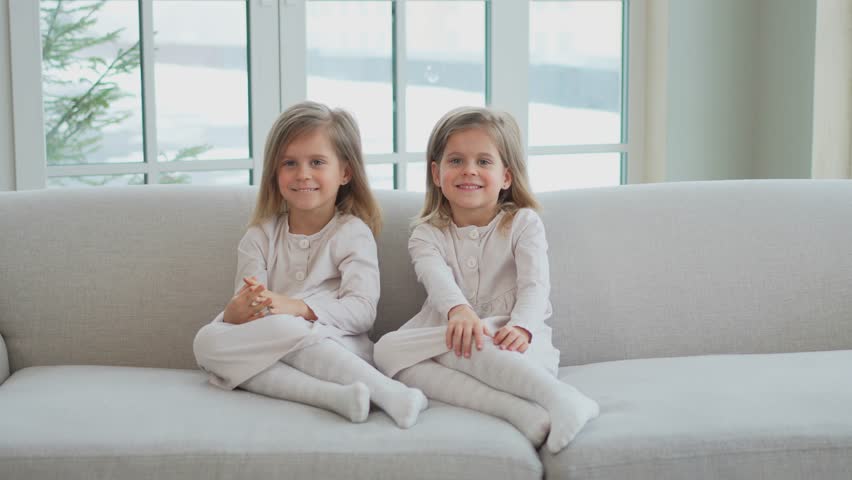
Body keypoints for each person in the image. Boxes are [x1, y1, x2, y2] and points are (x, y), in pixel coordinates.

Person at [374, 106, 599, 452]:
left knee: (472, 345)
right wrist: (458, 311)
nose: (469, 171)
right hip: (446, 332)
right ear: (436, 173)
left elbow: (535, 285)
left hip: (509, 337)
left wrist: (523, 326)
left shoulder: (523, 223)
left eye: (483, 161)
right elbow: (436, 281)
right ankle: (518, 412)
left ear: (506, 177)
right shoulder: (426, 234)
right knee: (387, 350)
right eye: (456, 161)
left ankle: (562, 399)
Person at [193, 101, 427, 428]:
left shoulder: (352, 233)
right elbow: (249, 311)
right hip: (271, 340)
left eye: (317, 162)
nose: (303, 174)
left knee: (280, 327)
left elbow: (362, 311)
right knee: (206, 342)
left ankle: (392, 393)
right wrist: (234, 314)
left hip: (338, 347)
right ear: (275, 174)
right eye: (290, 163)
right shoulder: (259, 236)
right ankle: (336, 398)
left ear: (345, 172)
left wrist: (296, 308)